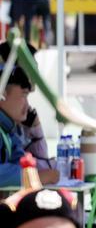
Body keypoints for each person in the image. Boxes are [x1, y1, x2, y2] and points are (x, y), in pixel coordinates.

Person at [0, 44, 58, 186]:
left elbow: (30, 162)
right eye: (24, 95)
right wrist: (36, 177)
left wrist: (36, 130)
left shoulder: (9, 126)